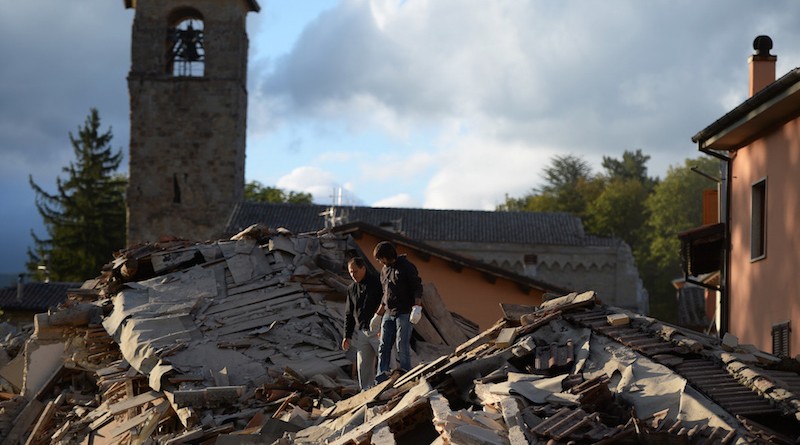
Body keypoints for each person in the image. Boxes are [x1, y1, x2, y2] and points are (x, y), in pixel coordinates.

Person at [369, 241, 423, 383]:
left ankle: (405, 375)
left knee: (402, 345)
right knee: (384, 345)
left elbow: (417, 287)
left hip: (404, 312)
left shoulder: (406, 267)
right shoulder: (384, 271)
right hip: (388, 313)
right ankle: (382, 376)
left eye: (380, 258)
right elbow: (385, 295)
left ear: (386, 256)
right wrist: (378, 315)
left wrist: (417, 307)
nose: (379, 261)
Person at [341, 256, 383, 390]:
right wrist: (347, 336)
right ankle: (366, 391)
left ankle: (390, 386)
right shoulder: (352, 289)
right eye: (351, 272)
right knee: (363, 365)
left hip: (379, 328)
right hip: (362, 331)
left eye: (356, 271)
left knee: (386, 360)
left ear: (363, 268)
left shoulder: (377, 282)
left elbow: (385, 303)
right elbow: (349, 313)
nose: (353, 275)